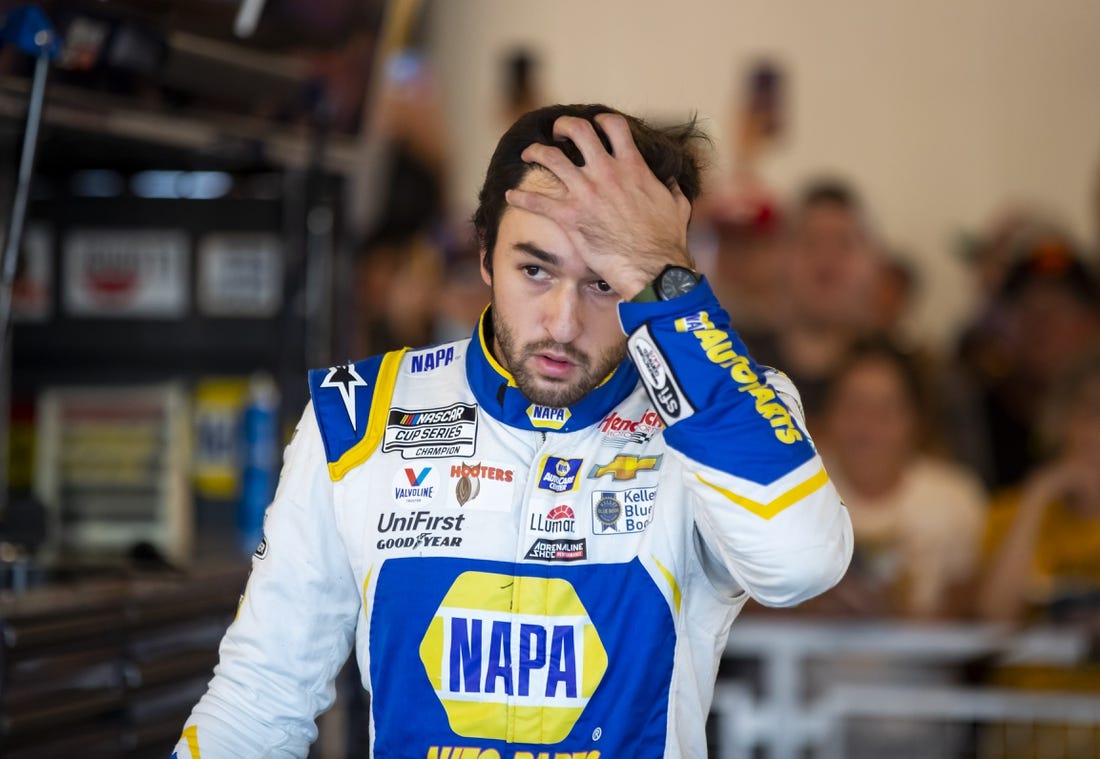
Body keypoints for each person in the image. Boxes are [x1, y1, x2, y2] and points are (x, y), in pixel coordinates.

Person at [171, 103, 853, 759]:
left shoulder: (718, 412)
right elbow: (258, 700)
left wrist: (665, 284)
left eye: (604, 282)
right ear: (483, 254)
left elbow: (802, 562)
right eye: (535, 269)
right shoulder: (356, 417)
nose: (560, 321)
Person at [815, 339, 986, 620]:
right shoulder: (789, 489)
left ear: (917, 421)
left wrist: (902, 611)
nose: (866, 428)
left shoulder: (954, 498)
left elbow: (972, 611)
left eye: (884, 413)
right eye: (853, 407)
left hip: (921, 663)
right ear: (828, 414)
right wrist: (810, 605)